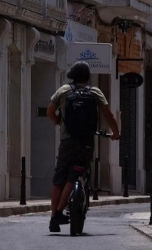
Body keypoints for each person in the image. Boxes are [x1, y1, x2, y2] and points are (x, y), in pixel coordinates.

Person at [46, 61, 120, 232]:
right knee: (73, 176)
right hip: (85, 142)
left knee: (59, 179)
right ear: (88, 77)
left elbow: (50, 111)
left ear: (72, 75)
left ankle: (53, 219)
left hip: (67, 141)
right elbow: (108, 114)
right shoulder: (95, 92)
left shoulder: (63, 90)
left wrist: (60, 123)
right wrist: (115, 133)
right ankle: (59, 211)